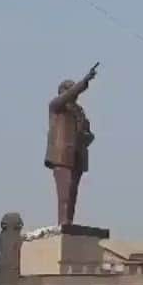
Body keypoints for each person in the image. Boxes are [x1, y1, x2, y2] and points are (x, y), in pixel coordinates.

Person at [45, 62, 98, 225]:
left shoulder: (79, 111)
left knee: (73, 193)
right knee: (65, 193)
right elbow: (68, 96)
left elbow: (87, 132)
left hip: (77, 155)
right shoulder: (57, 107)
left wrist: (87, 137)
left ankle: (69, 222)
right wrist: (84, 82)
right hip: (62, 156)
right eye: (70, 88)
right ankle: (63, 223)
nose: (74, 92)